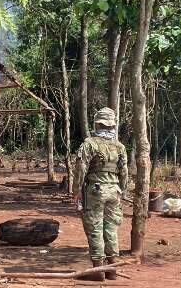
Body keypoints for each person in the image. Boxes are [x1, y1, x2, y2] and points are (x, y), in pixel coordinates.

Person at [73, 107, 128, 281]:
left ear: (97, 123)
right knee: (111, 229)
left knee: (95, 229)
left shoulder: (90, 144)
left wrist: (76, 191)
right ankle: (113, 270)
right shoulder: (120, 147)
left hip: (96, 191)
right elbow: (124, 172)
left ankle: (98, 271)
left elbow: (81, 169)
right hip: (115, 191)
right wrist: (122, 191)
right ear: (112, 125)